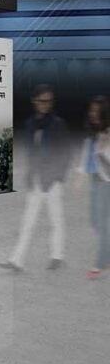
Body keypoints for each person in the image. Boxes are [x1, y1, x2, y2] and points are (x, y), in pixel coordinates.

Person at [0, 84, 72, 273]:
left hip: (52, 181)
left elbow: (66, 152)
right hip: (37, 180)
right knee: (28, 221)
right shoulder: (30, 124)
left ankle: (57, 256)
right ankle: (17, 261)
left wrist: (58, 176)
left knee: (56, 219)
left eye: (49, 101)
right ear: (34, 101)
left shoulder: (58, 124)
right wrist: (29, 173)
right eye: (42, 100)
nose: (46, 104)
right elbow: (30, 151)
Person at [78, 96, 110, 280]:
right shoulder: (92, 133)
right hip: (94, 180)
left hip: (107, 182)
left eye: (97, 111)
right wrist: (80, 174)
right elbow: (86, 154)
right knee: (94, 221)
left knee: (103, 222)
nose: (93, 114)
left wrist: (103, 149)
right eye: (91, 110)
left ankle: (100, 263)